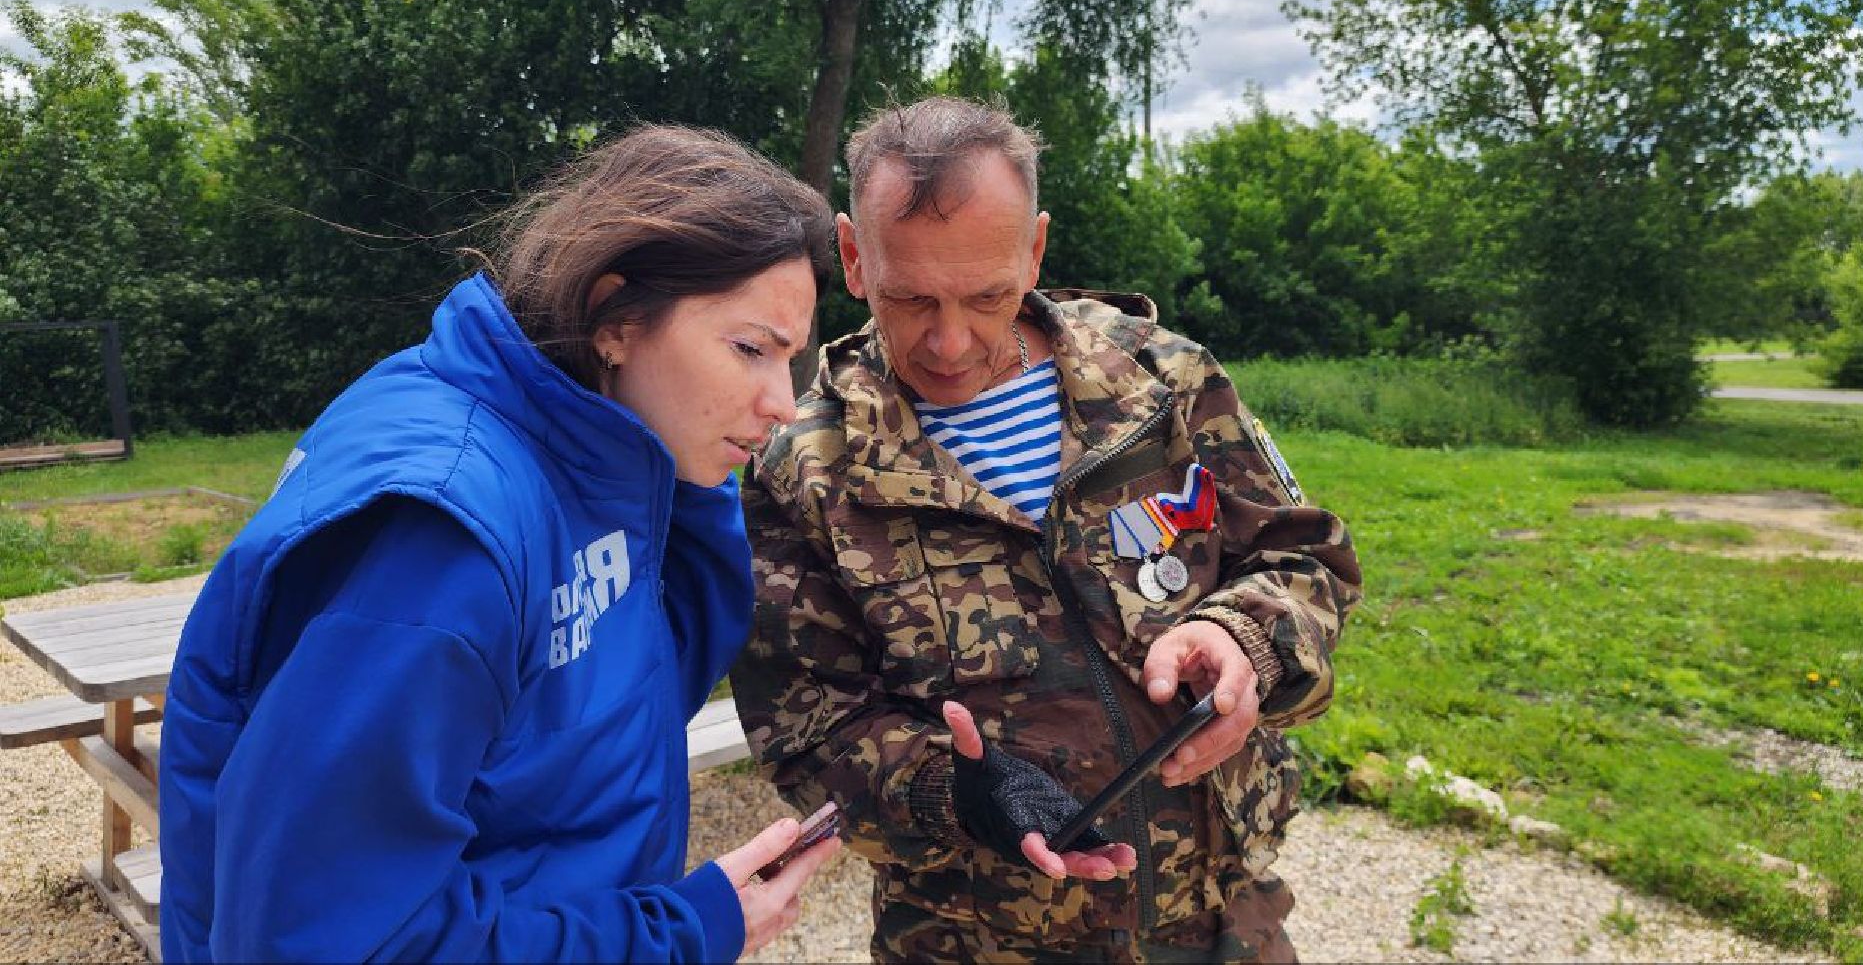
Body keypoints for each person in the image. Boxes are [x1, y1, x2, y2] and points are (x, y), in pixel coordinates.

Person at [159, 125, 844, 962]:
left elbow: (635, 702)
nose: (784, 403)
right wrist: (685, 932)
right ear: (614, 318)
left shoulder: (613, 455)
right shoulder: (438, 546)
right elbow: (327, 939)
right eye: (748, 350)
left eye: (791, 360)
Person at [732, 96, 1363, 963]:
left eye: (987, 295)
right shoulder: (801, 471)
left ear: (1033, 249)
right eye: (909, 297)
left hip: (1222, 923)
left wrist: (1244, 637)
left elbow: (1305, 557)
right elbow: (807, 730)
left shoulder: (1159, 381)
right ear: (850, 255)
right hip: (974, 942)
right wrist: (953, 792)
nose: (949, 341)